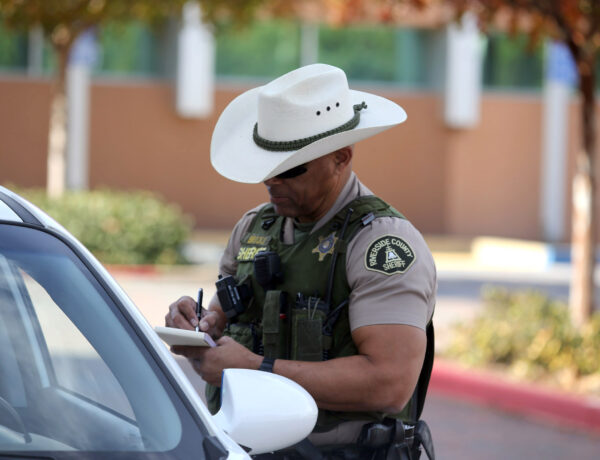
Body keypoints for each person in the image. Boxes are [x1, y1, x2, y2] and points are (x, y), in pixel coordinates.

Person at [166, 63, 436, 459]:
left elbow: (389, 384)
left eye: (290, 168)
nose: (272, 181)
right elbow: (222, 322)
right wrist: (197, 330)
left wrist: (255, 369)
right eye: (267, 167)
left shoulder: (381, 244)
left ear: (341, 157)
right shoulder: (253, 229)